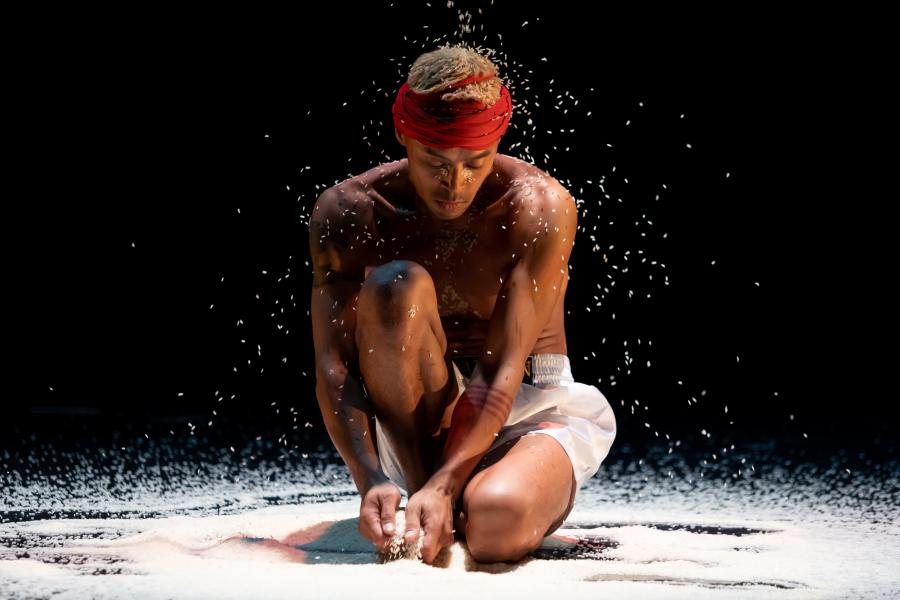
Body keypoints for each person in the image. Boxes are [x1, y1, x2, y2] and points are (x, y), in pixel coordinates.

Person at [309, 45, 616, 565]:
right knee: (394, 286)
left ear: (498, 140)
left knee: (495, 527)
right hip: (417, 418)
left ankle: (448, 494)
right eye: (436, 162)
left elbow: (501, 367)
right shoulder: (349, 211)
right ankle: (424, 488)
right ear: (403, 134)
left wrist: (450, 487)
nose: (456, 184)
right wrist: (370, 479)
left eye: (475, 162)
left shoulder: (538, 206)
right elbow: (334, 366)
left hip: (524, 402)